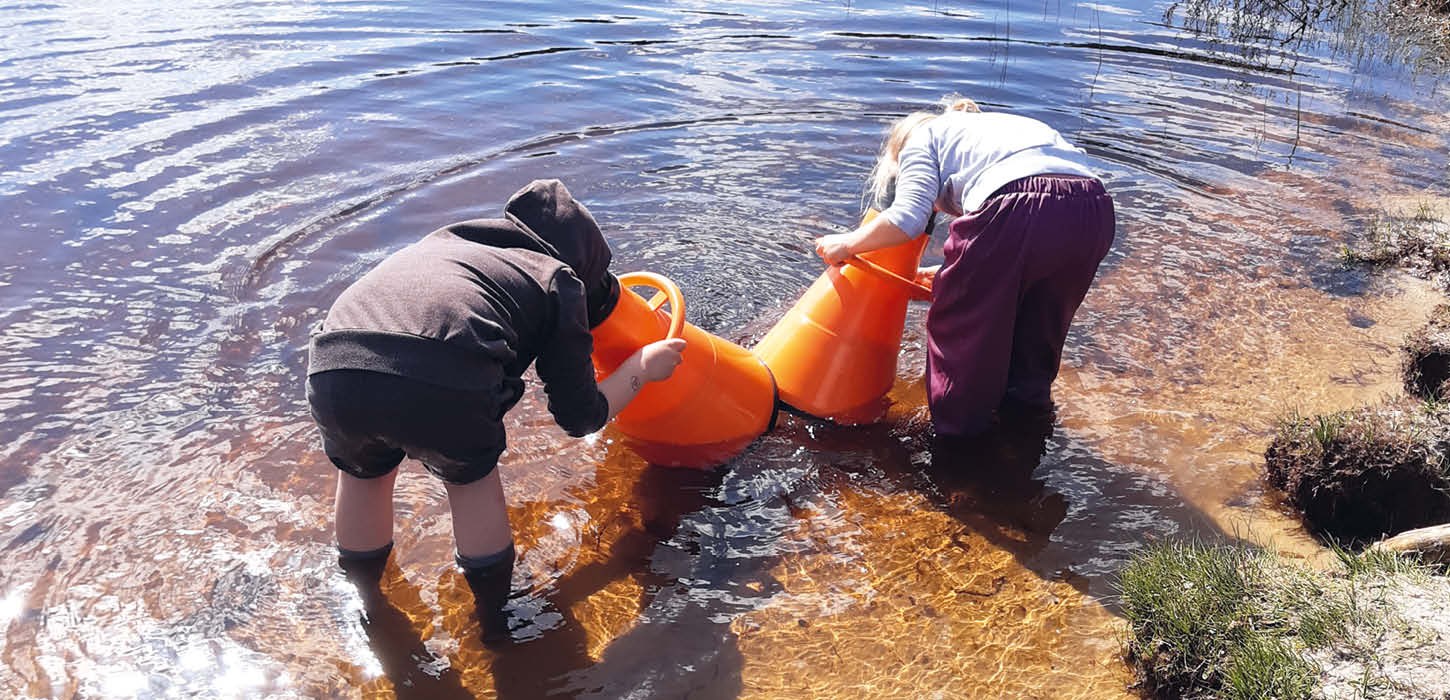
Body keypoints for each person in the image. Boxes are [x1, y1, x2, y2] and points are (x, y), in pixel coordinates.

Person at [307, 179, 685, 638]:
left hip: (334, 362)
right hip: (441, 368)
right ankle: (494, 618)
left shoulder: (446, 245)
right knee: (469, 483)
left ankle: (367, 604)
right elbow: (579, 417)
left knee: (364, 476)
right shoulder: (557, 279)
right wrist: (640, 368)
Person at [815, 98, 1115, 438]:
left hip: (1017, 205)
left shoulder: (921, 139)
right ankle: (1027, 433)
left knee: (956, 330)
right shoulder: (993, 127)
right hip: (1092, 211)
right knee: (1036, 333)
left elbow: (907, 219)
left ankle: (958, 452)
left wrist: (847, 243)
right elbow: (1030, 224)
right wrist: (952, 272)